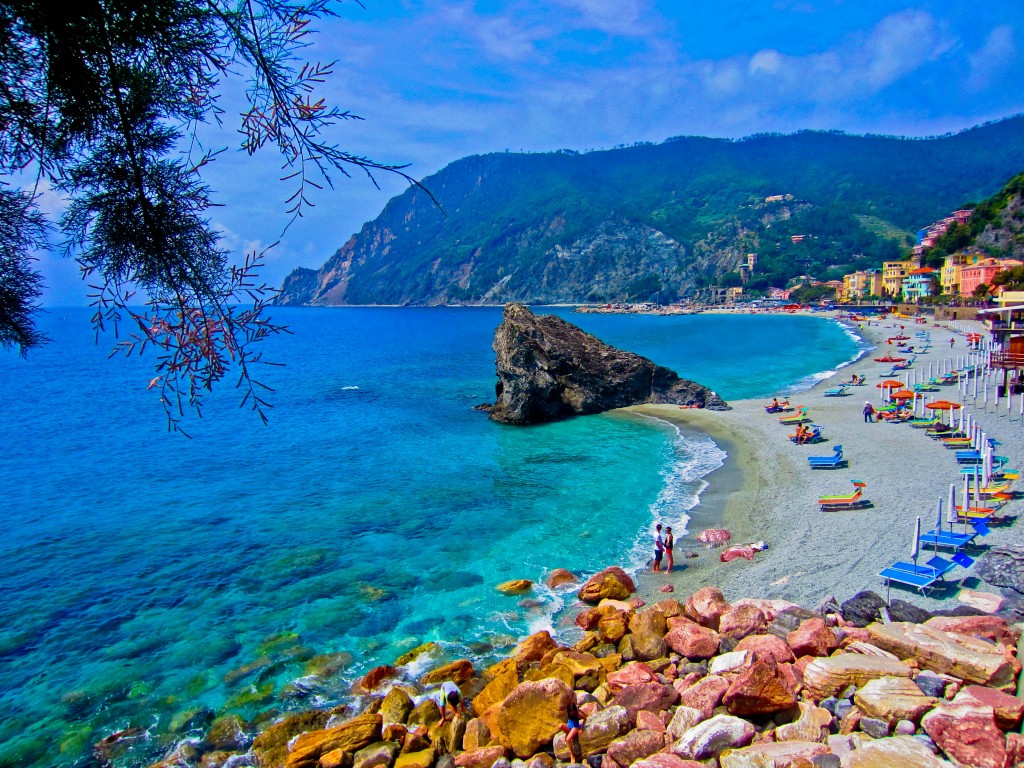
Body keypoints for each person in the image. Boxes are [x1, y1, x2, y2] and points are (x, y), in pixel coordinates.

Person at [558, 697, 586, 763]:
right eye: (570, 712)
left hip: (575, 728)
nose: (572, 713)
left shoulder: (578, 714)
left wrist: (581, 727)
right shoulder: (569, 714)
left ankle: (572, 755)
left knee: (568, 739)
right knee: (560, 726)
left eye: (573, 711)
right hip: (569, 726)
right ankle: (567, 732)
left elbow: (585, 718)